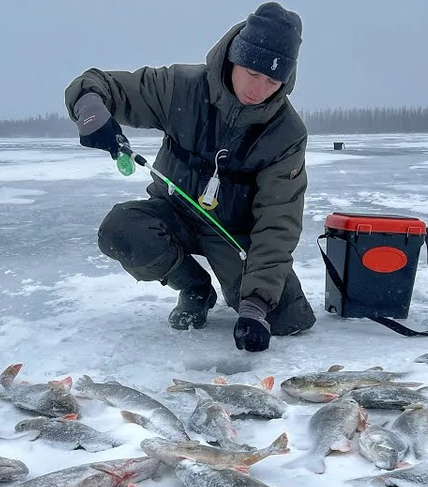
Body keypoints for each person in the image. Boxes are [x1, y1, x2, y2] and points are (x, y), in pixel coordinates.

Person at [64, 2, 314, 353]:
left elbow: (279, 221)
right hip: (174, 214)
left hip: (233, 234)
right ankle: (194, 287)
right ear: (234, 57)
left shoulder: (286, 133)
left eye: (273, 81)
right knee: (121, 228)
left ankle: (249, 296)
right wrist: (90, 108)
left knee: (286, 318)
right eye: (253, 73)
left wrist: (255, 305)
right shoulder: (181, 87)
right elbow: (100, 85)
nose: (258, 90)